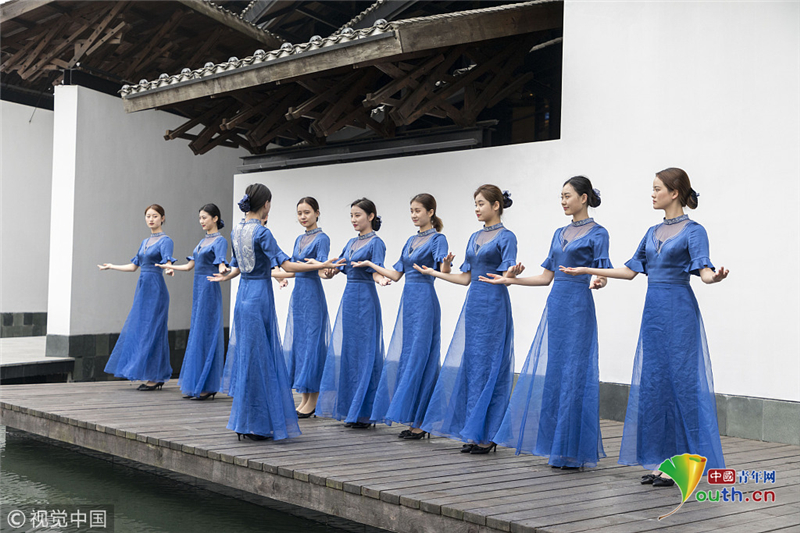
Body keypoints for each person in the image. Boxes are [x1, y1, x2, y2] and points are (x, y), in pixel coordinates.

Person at [561, 167, 728, 485]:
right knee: (655, 385)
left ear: (674, 193)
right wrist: (587, 270)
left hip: (679, 312)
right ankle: (661, 461)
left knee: (681, 385)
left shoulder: (694, 231)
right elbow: (629, 271)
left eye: (657, 189)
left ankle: (683, 464)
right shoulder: (651, 232)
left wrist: (714, 277)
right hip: (653, 315)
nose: (652, 194)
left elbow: (704, 271)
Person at [486, 176, 609, 469]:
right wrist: (509, 280)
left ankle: (573, 450)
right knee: (556, 373)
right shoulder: (558, 233)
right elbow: (545, 277)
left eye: (568, 196)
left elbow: (602, 271)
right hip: (556, 306)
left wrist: (599, 280)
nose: (563, 201)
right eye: (561, 197)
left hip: (578, 307)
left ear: (583, 198)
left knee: (575, 374)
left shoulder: (599, 233)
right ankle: (557, 447)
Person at [210, 184, 344, 441]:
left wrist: (225, 277)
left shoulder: (236, 230)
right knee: (262, 360)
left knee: (248, 358)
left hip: (243, 296)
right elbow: (287, 265)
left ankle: (246, 422)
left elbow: (236, 267)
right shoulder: (262, 232)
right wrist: (322, 264)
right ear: (266, 204)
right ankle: (258, 424)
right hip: (259, 296)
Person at [417, 185, 518, 454]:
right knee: (473, 366)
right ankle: (474, 431)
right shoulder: (474, 237)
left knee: (491, 366)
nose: (477, 208)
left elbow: (506, 277)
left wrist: (512, 274)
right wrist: (436, 272)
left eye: (481, 203)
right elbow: (465, 278)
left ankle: (488, 435)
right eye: (475, 204)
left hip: (494, 305)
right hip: (473, 305)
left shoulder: (507, 237)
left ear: (496, 205)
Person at [366, 194, 449, 439]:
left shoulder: (438, 239)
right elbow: (396, 274)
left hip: (425, 300)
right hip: (408, 303)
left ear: (430, 212)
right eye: (411, 210)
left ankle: (422, 422)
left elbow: (443, 270)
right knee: (408, 356)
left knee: (422, 357)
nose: (413, 215)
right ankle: (413, 418)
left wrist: (445, 265)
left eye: (418, 210)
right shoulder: (411, 241)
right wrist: (371, 265)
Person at [318, 198, 390, 429]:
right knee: (349, 352)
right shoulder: (350, 243)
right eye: (351, 215)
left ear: (371, 216)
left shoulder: (376, 243)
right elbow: (339, 267)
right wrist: (328, 271)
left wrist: (381, 279)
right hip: (349, 299)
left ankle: (365, 413)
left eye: (358, 215)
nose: (353, 220)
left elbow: (376, 269)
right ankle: (351, 409)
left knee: (366, 352)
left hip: (366, 298)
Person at [99, 204, 175, 391]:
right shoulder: (144, 242)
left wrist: (169, 269)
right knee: (142, 329)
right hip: (143, 290)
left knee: (154, 331)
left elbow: (167, 260)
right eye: (148, 216)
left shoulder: (166, 240)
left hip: (156, 290)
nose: (151, 219)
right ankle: (152, 374)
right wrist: (112, 266)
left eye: (155, 216)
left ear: (163, 218)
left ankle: (156, 376)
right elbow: (134, 266)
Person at [160, 204, 228, 401]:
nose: (201, 221)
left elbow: (221, 262)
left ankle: (207, 385)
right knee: (198, 332)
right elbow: (190, 266)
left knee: (207, 332)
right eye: (200, 218)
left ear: (215, 218)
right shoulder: (202, 241)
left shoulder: (220, 241)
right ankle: (198, 384)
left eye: (204, 217)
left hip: (209, 287)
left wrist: (223, 269)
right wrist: (169, 266)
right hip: (198, 289)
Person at [272, 197, 331, 418]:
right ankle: (305, 397)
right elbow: (294, 269)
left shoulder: (322, 238)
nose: (303, 217)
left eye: (307, 212)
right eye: (299, 213)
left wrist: (326, 271)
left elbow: (321, 267)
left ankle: (313, 399)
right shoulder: (299, 239)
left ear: (317, 213)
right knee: (301, 343)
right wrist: (276, 275)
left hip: (313, 294)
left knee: (312, 344)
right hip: (298, 296)